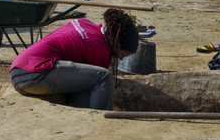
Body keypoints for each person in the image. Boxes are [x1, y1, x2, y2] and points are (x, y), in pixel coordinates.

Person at [9, 8, 139, 110]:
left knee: (87, 81)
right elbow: (101, 82)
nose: (121, 59)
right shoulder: (101, 51)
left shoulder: (84, 23)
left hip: (18, 70)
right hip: (35, 73)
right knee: (103, 76)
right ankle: (102, 121)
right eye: (123, 54)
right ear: (117, 43)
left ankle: (77, 114)